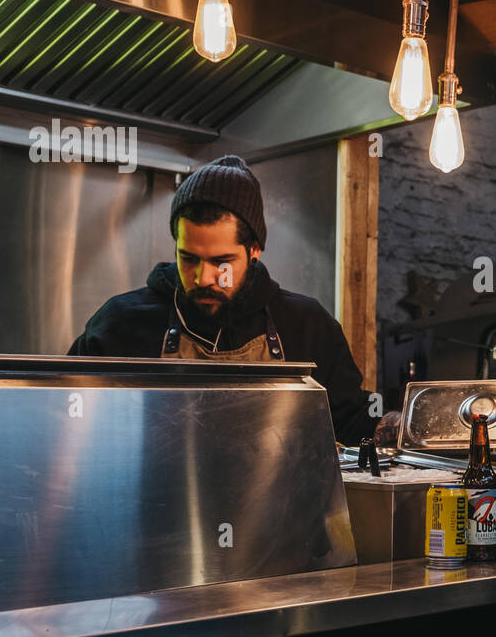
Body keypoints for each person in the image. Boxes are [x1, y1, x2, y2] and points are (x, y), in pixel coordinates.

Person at [69, 154, 379, 444]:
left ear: (254, 249)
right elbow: (66, 415)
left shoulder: (306, 324)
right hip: (152, 502)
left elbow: (349, 419)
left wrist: (400, 426)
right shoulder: (122, 322)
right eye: (188, 258)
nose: (203, 278)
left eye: (222, 261)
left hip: (278, 503)